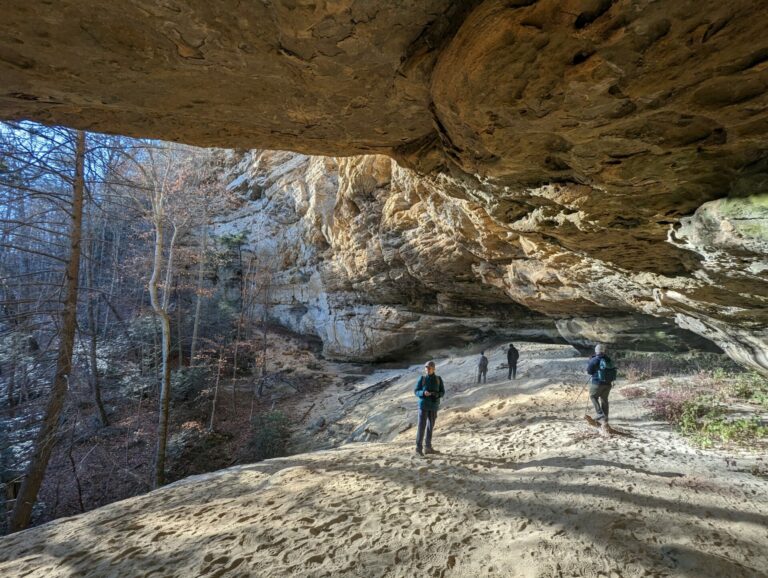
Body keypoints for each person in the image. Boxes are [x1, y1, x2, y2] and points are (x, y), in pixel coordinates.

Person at [414, 360, 445, 456]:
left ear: (434, 369)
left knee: (430, 427)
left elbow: (442, 392)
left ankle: (428, 448)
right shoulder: (422, 378)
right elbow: (416, 391)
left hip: (434, 406)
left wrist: (437, 394)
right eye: (426, 367)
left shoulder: (438, 379)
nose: (427, 369)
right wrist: (423, 393)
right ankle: (418, 449)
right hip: (423, 406)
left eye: (429, 368)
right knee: (421, 427)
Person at [586, 344, 617, 435]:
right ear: (604, 351)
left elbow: (589, 371)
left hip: (597, 383)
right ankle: (605, 420)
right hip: (608, 384)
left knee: (593, 396)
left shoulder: (594, 360)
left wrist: (590, 362)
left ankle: (599, 413)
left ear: (596, 351)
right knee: (604, 400)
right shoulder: (608, 359)